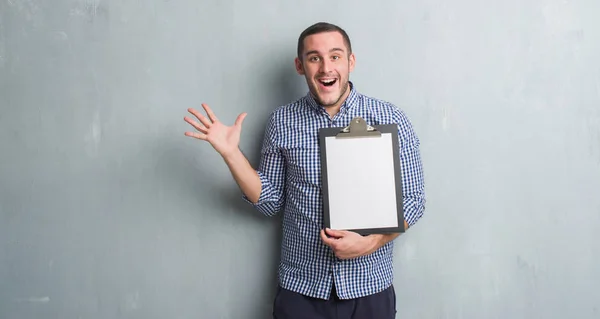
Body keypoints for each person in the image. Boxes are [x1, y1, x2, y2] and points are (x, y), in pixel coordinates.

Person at [184, 22, 426, 319]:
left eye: (335, 56)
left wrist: (371, 242)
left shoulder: (390, 118)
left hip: (370, 287)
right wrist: (231, 154)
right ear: (300, 66)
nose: (326, 68)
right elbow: (270, 202)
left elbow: (413, 200)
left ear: (351, 62)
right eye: (314, 58)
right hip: (301, 290)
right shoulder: (281, 122)